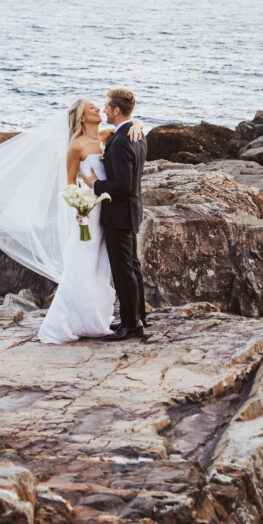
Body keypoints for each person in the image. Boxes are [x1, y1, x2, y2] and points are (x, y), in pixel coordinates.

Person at [0, 96, 143, 344]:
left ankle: (97, 319)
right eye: (91, 107)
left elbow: (127, 126)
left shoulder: (104, 137)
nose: (97, 108)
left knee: (101, 267)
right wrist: (78, 207)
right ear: (82, 117)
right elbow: (70, 183)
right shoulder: (76, 146)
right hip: (86, 213)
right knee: (82, 263)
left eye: (98, 106)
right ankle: (71, 320)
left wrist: (137, 123)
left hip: (105, 213)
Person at [82, 87, 148, 342]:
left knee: (123, 270)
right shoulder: (137, 133)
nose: (105, 110)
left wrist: (95, 185)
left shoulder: (121, 141)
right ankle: (137, 317)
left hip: (120, 213)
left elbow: (123, 185)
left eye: (108, 108)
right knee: (132, 266)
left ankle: (131, 325)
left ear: (117, 110)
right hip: (131, 210)